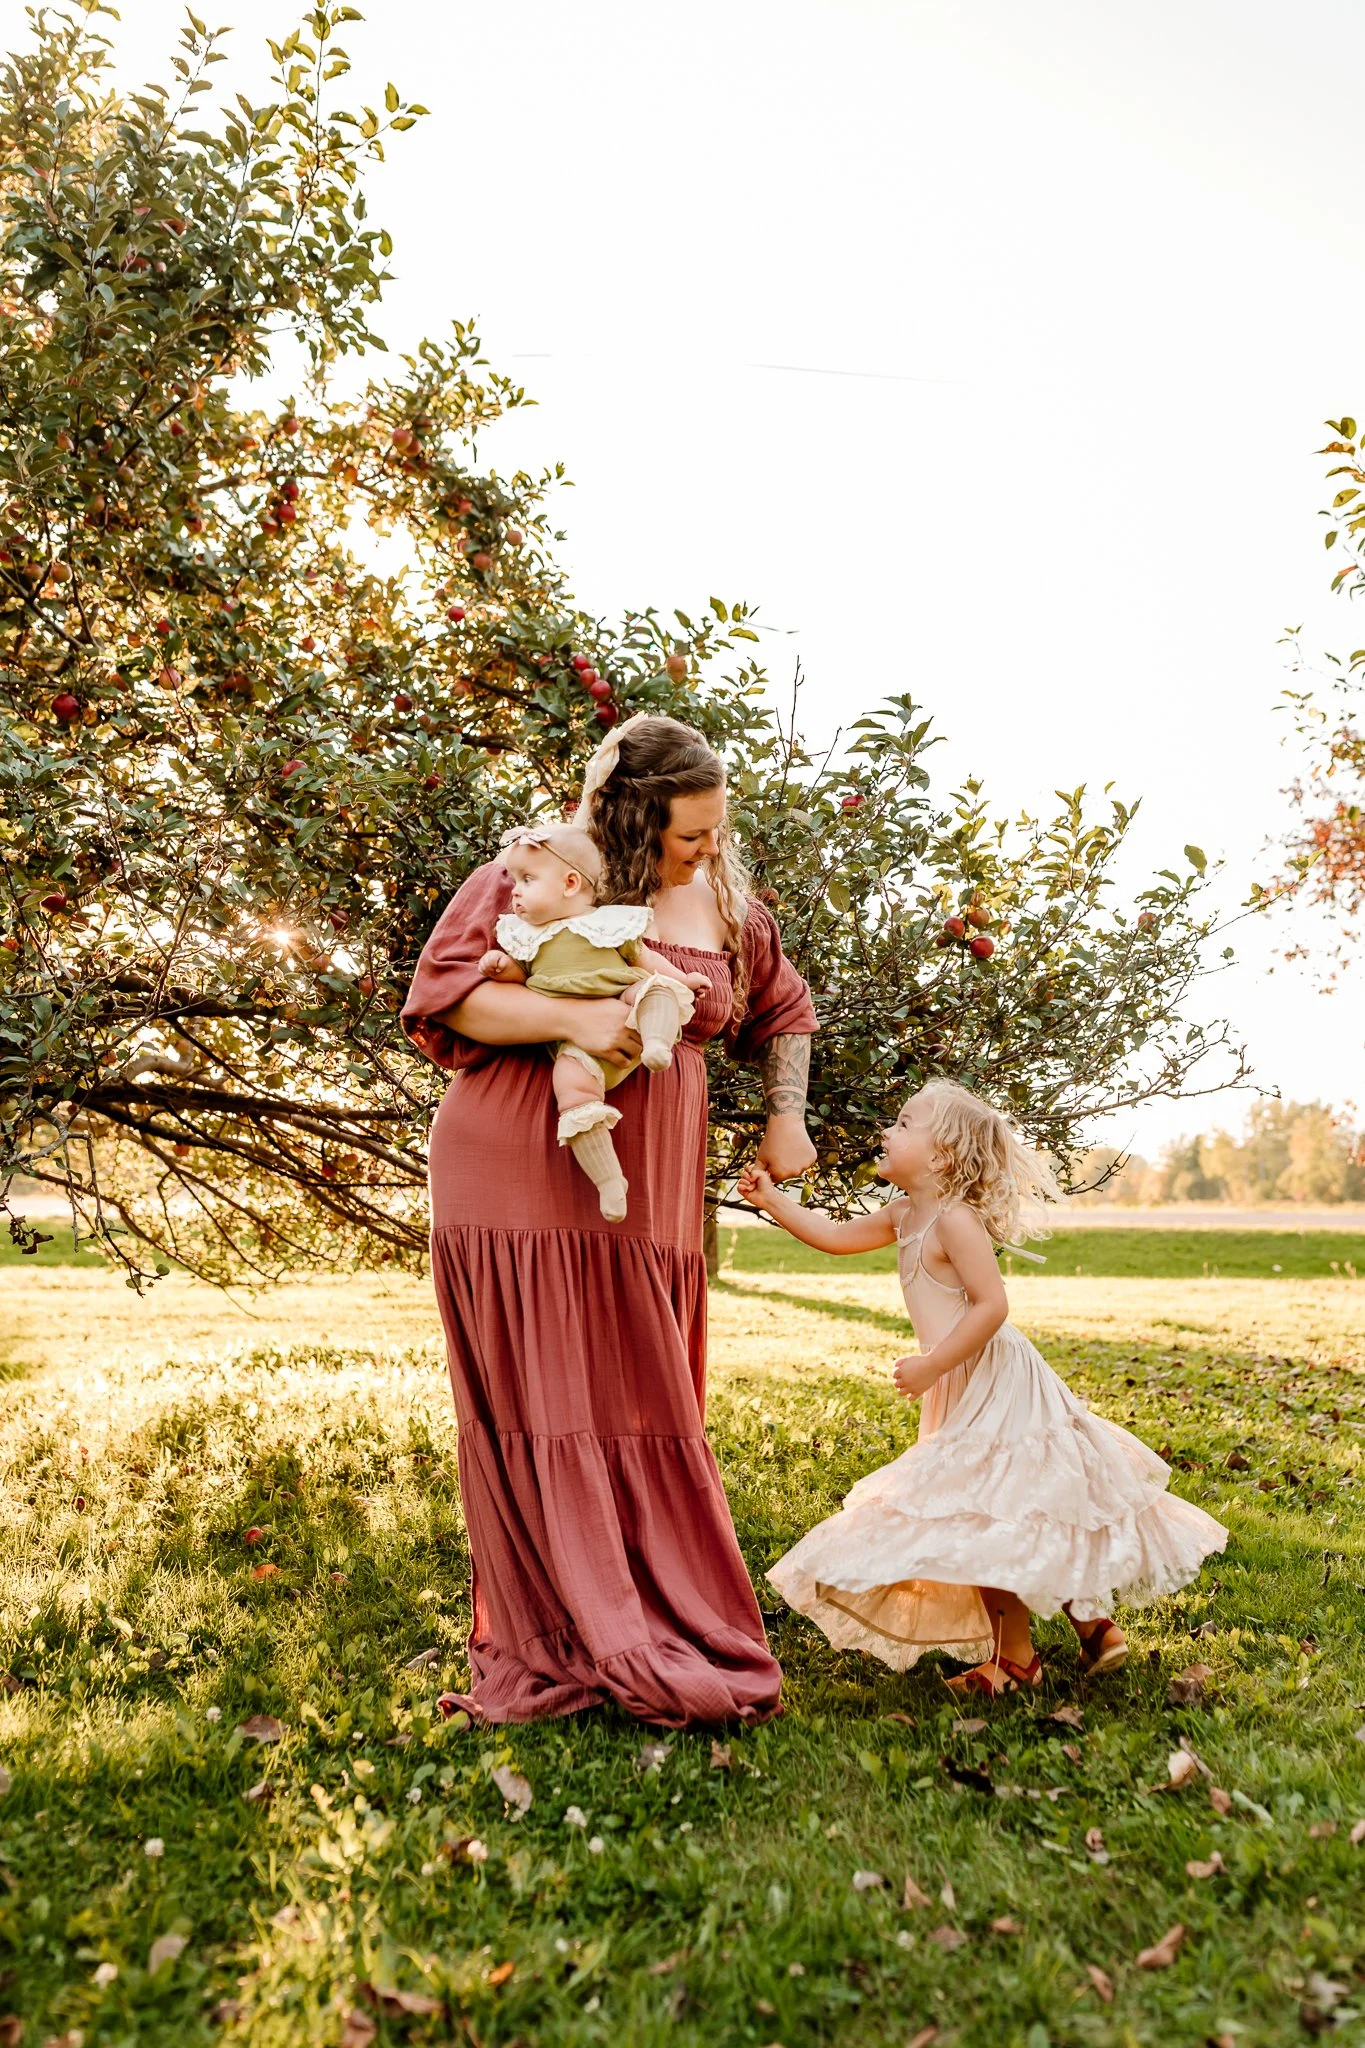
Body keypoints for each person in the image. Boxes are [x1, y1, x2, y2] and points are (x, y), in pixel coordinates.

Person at [401, 713, 818, 1726]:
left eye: (718, 827)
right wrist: (580, 1020)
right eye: (689, 833)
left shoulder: (724, 901)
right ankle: (556, 1629)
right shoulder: (538, 868)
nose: (710, 847)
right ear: (632, 816)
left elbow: (785, 1006)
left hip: (647, 1199)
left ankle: (649, 1607)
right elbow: (446, 996)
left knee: (642, 1391)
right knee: (538, 1398)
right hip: (516, 1169)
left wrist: (787, 1116)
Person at [740, 1080, 1227, 1696]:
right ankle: (1088, 1624)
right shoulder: (904, 1215)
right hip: (961, 1383)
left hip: (993, 1379)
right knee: (1012, 1506)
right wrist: (773, 1201)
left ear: (941, 1155)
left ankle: (1023, 1657)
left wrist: (933, 1363)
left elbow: (992, 1304)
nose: (887, 1132)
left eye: (905, 1123)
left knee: (997, 1510)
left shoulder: (953, 1220)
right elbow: (835, 1237)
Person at [477, 822, 705, 1221]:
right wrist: (503, 967)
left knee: (654, 990)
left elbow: (646, 961)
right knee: (572, 1093)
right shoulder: (528, 937)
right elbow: (525, 976)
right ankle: (608, 1181)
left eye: (527, 879)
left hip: (623, 996)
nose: (515, 889)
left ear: (569, 883)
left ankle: (656, 1042)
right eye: (516, 879)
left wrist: (683, 979)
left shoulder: (608, 923)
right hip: (575, 1043)